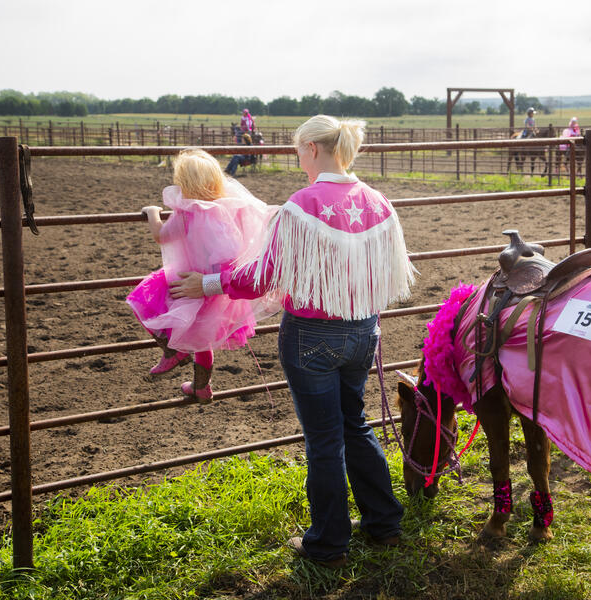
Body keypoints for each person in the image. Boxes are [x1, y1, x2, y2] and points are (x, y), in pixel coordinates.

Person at [169, 115, 417, 568]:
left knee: (324, 440)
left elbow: (262, 276)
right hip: (363, 331)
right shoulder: (378, 202)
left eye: (297, 148)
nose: (296, 155)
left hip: (311, 338)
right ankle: (384, 523)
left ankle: (328, 544)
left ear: (312, 149)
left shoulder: (302, 205)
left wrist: (207, 283)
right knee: (354, 424)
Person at [127, 149, 280, 403]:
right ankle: (201, 388)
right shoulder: (230, 207)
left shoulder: (186, 212)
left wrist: (153, 213)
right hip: (219, 285)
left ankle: (171, 350)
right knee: (202, 337)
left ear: (184, 183)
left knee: (140, 298)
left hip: (191, 281)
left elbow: (161, 236)